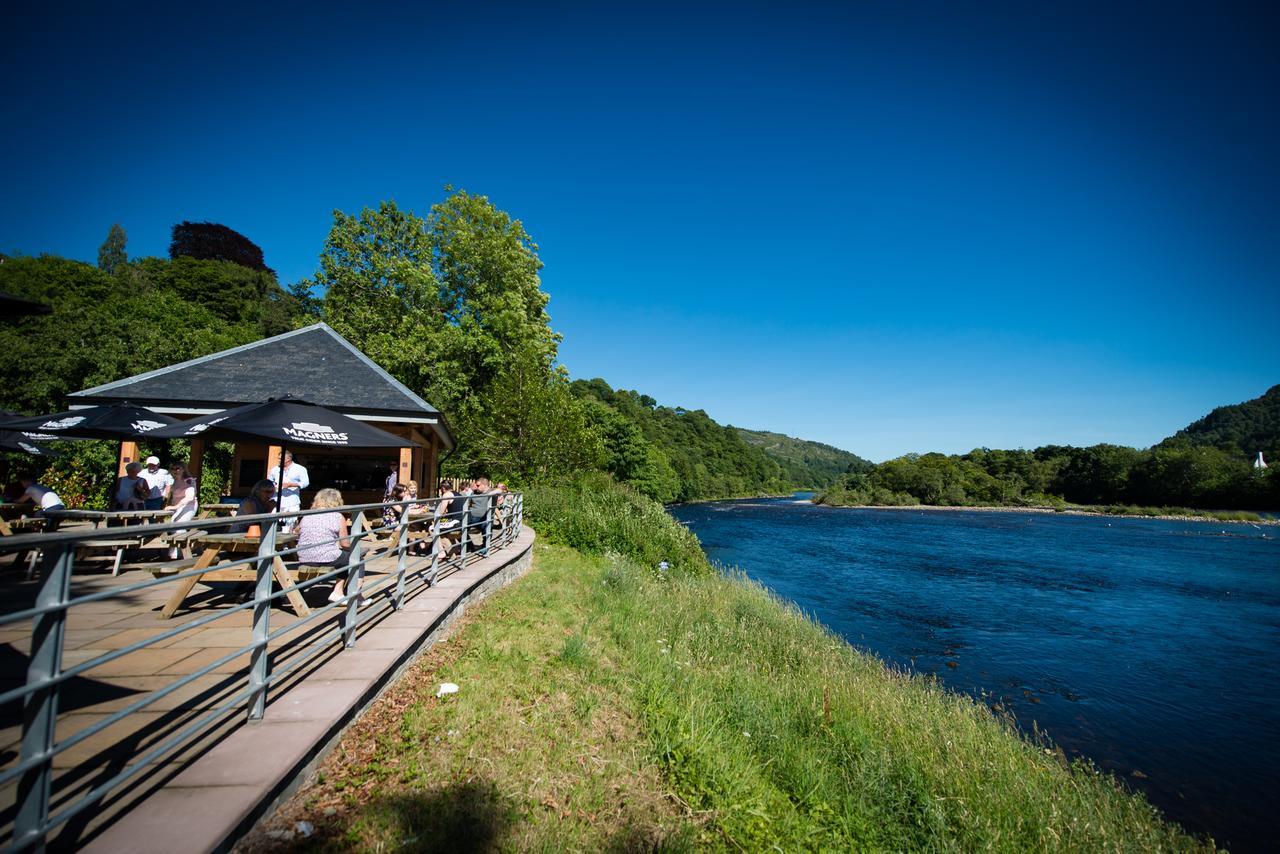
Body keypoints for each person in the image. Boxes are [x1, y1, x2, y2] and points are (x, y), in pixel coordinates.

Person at [294, 488, 354, 603]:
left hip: (304, 557)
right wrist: (355, 548)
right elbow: (345, 543)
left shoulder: (307, 515)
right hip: (325, 557)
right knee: (353, 557)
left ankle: (297, 592)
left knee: (343, 558)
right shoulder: (337, 516)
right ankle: (339, 592)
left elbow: (296, 531)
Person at [165, 462, 199, 559]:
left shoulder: (189, 481)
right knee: (172, 524)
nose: (176, 471)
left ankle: (182, 551)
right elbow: (171, 496)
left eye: (178, 468)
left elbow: (190, 497)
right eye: (173, 468)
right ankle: (175, 552)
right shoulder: (173, 481)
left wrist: (176, 506)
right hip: (177, 506)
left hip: (189, 506)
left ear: (183, 469)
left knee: (180, 524)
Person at [269, 451, 309, 531]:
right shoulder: (275, 469)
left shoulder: (300, 469)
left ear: (288, 459)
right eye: (279, 459)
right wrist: (273, 487)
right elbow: (269, 481)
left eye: (281, 459)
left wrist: (292, 484)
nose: (279, 460)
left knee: (291, 523)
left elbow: (305, 483)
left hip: (292, 500)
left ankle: (288, 542)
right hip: (277, 500)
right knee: (271, 522)